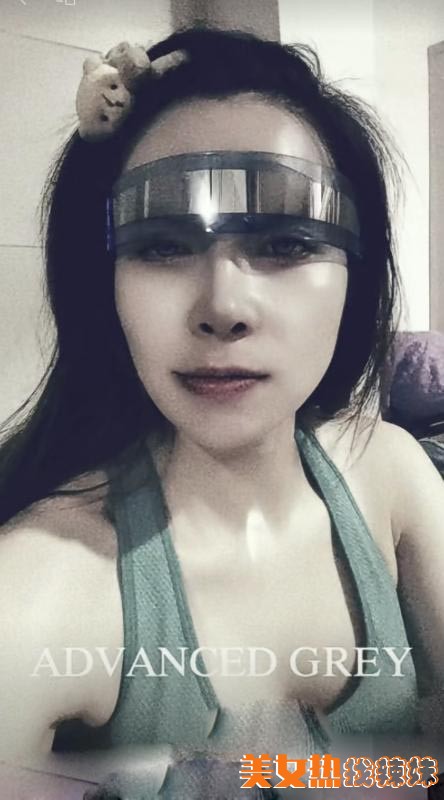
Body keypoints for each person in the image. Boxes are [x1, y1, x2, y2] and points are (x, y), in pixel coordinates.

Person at [0, 25, 443, 793]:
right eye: (162, 245)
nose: (223, 307)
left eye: (288, 242)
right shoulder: (37, 594)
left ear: (356, 271)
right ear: (105, 285)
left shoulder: (391, 472)